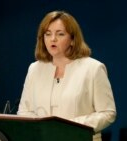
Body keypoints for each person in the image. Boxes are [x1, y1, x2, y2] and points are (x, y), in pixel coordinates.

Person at [17, 10, 116, 141]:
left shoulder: (93, 68)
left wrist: (71, 126)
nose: (53, 39)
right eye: (48, 34)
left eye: (60, 34)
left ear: (73, 40)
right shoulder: (34, 69)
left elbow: (108, 113)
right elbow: (24, 112)